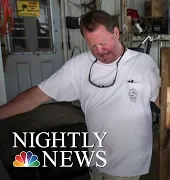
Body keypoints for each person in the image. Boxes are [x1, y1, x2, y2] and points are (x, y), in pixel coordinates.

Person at [0, 10, 161, 180]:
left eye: (103, 42)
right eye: (92, 46)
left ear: (115, 32)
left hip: (129, 164)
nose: (100, 50)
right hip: (96, 160)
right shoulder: (79, 66)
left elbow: (161, 100)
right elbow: (36, 96)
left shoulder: (142, 63)